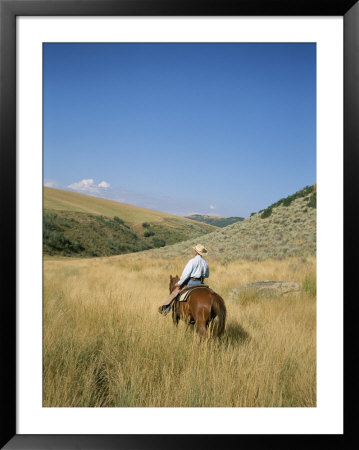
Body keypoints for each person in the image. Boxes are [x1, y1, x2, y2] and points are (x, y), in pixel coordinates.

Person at [158, 244, 209, 315]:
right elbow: (206, 275)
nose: (194, 252)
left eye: (195, 250)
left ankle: (165, 309)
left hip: (191, 282)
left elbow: (186, 274)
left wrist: (180, 282)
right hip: (200, 283)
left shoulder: (192, 261)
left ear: (196, 252)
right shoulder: (205, 263)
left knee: (175, 293)